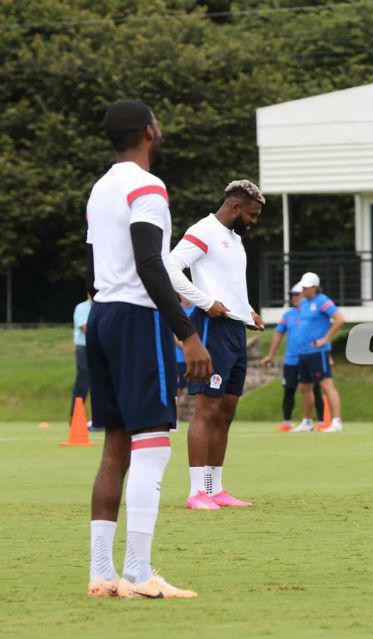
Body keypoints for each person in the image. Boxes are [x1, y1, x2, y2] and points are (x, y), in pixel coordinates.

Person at [85, 99, 211, 599]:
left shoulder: (100, 187)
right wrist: (188, 332)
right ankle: (138, 575)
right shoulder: (148, 185)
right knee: (153, 442)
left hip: (101, 313)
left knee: (116, 445)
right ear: (148, 131)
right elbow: (150, 263)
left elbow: (95, 257)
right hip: (137, 318)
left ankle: (101, 573)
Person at [168, 180, 265, 510]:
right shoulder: (204, 230)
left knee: (227, 410)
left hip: (235, 329)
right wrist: (204, 301)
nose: (253, 221)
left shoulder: (235, 240)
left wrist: (247, 309)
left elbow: (231, 283)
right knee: (206, 409)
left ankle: (216, 488)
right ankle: (197, 492)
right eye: (251, 215)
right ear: (235, 207)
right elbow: (170, 268)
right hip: (211, 328)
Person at [261, 283, 324, 431]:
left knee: (315, 389)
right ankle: (287, 422)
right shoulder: (287, 316)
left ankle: (321, 422)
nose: (294, 297)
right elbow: (277, 336)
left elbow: (322, 334)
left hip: (310, 357)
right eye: (292, 295)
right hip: (291, 360)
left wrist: (327, 355)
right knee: (289, 390)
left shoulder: (313, 313)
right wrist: (270, 355)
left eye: (297, 294)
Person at [291, 272, 344, 433]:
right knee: (304, 387)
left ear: (314, 287)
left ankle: (336, 422)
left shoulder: (323, 301)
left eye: (306, 287)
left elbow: (339, 319)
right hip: (303, 352)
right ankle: (307, 422)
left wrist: (325, 339)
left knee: (326, 385)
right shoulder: (304, 303)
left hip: (318, 351)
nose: (303, 290)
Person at [70, 291, 92, 419]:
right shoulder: (81, 307)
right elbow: (85, 329)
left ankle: (99, 421)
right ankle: (75, 418)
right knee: (82, 382)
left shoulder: (101, 307)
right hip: (83, 348)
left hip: (99, 348)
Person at [174, 296, 195, 399]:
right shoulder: (176, 309)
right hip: (180, 359)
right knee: (179, 389)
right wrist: (189, 346)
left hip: (196, 357)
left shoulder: (197, 309)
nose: (186, 297)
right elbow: (175, 335)